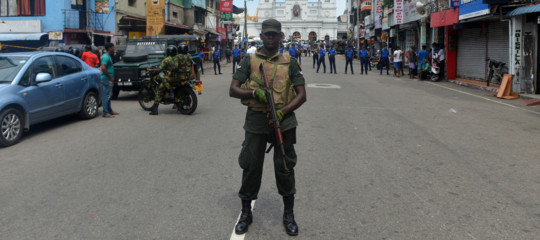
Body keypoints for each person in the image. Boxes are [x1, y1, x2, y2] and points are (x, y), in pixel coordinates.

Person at [229, 18, 306, 237]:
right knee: (251, 166)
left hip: (284, 120)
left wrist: (283, 111)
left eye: (275, 34)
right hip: (256, 120)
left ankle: (288, 214)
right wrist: (254, 93)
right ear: (261, 36)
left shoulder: (289, 61)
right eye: (267, 34)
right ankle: (246, 213)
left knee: (285, 166)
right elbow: (233, 89)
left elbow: (302, 95)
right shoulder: (249, 60)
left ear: (281, 37)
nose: (271, 38)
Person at [149, 45, 179, 115]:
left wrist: (152, 70)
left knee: (160, 90)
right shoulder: (178, 58)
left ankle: (155, 110)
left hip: (172, 78)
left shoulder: (166, 59)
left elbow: (160, 69)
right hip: (180, 77)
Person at [100, 43, 119, 118]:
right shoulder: (105, 57)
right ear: (109, 48)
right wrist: (110, 77)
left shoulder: (108, 56)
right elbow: (103, 68)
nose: (114, 48)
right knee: (106, 96)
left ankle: (110, 110)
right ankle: (105, 112)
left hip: (108, 78)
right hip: (106, 79)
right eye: (112, 47)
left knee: (108, 95)